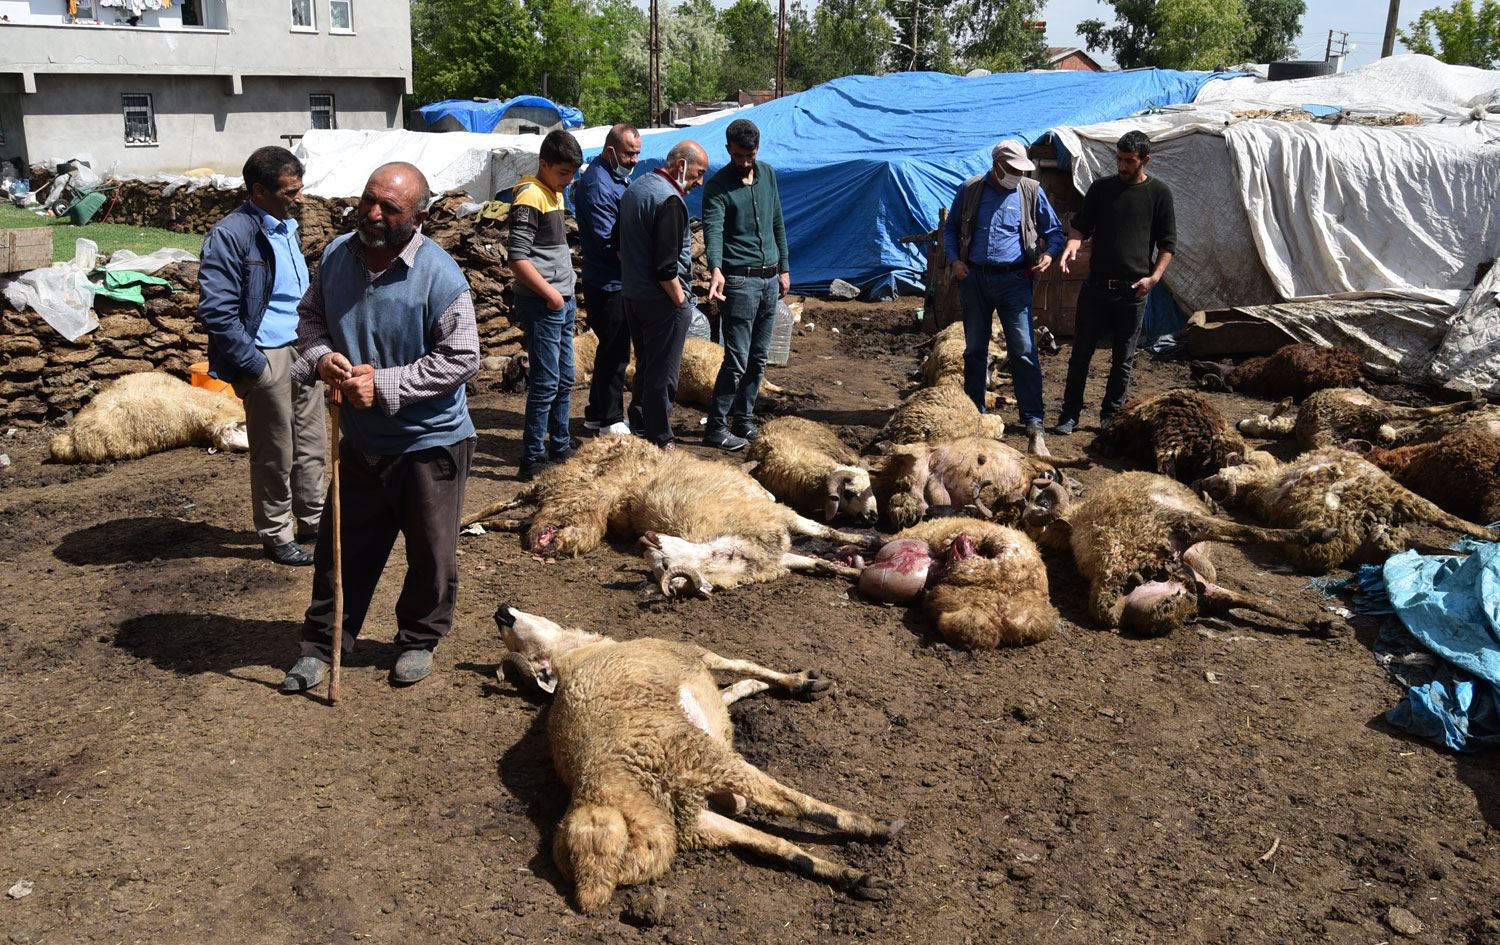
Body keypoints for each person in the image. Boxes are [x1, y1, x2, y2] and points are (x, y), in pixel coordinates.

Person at [279, 161, 480, 693]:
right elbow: (310, 319)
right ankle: (323, 644)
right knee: (341, 550)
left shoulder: (440, 275)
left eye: (390, 207)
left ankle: (418, 638)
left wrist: (384, 385)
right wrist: (322, 358)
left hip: (429, 442)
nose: (372, 213)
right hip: (361, 440)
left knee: (431, 554)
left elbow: (462, 357)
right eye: (369, 199)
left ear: (418, 217)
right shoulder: (336, 257)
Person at [197, 146, 325, 566]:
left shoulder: (287, 226)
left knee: (310, 443)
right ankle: (276, 533)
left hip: (303, 347)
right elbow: (217, 310)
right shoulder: (230, 235)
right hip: (266, 353)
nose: (300, 198)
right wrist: (255, 366)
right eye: (290, 191)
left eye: (300, 189)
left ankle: (313, 520)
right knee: (275, 452)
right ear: (259, 191)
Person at [943, 139, 1064, 457]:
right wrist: (955, 260)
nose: (1017, 174)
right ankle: (974, 415)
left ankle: (1033, 421)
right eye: (1012, 169)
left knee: (1023, 350)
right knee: (975, 350)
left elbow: (1055, 233)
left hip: (1015, 280)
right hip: (975, 279)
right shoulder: (970, 190)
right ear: (997, 165)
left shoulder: (1030, 191)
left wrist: (1049, 255)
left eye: (1021, 169)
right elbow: (950, 230)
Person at [1054, 130, 1176, 436]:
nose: (1122, 165)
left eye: (1129, 160)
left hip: (1133, 291)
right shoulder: (1101, 189)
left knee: (1123, 359)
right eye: (1119, 159)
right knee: (1080, 354)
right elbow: (1081, 227)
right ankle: (1069, 414)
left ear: (1144, 160)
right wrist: (1072, 245)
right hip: (1096, 288)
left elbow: (1167, 244)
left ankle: (1111, 416)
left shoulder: (1158, 193)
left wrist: (1154, 278)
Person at [701, 118, 789, 451]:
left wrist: (784, 268)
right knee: (736, 358)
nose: (744, 162)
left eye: (749, 156)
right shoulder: (718, 186)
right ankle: (716, 426)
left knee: (759, 357)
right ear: (728, 150)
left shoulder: (768, 175)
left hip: (770, 278)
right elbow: (713, 229)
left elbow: (777, 221)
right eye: (738, 156)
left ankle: (744, 419)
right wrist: (716, 268)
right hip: (739, 281)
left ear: (758, 149)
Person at [615, 140, 709, 450]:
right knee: (664, 372)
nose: (699, 182)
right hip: (662, 301)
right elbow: (666, 268)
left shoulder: (636, 189)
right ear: (681, 165)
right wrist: (681, 303)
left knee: (646, 364)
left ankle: (640, 421)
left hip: (633, 295)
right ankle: (660, 437)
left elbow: (618, 246)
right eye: (698, 173)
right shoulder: (669, 200)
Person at [508, 129, 584, 481]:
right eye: (563, 173)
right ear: (544, 164)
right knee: (546, 381)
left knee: (565, 377)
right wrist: (551, 295)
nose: (568, 180)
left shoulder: (554, 192)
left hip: (562, 300)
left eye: (572, 174)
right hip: (545, 304)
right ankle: (532, 457)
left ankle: (560, 443)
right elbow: (517, 258)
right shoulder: (530, 195)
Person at [574, 123, 642, 439]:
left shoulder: (614, 177)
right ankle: (611, 419)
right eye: (629, 154)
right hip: (608, 282)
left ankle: (596, 413)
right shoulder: (598, 185)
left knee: (610, 349)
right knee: (615, 352)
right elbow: (608, 242)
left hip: (615, 279)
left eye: (637, 154)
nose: (634, 160)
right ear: (610, 151)